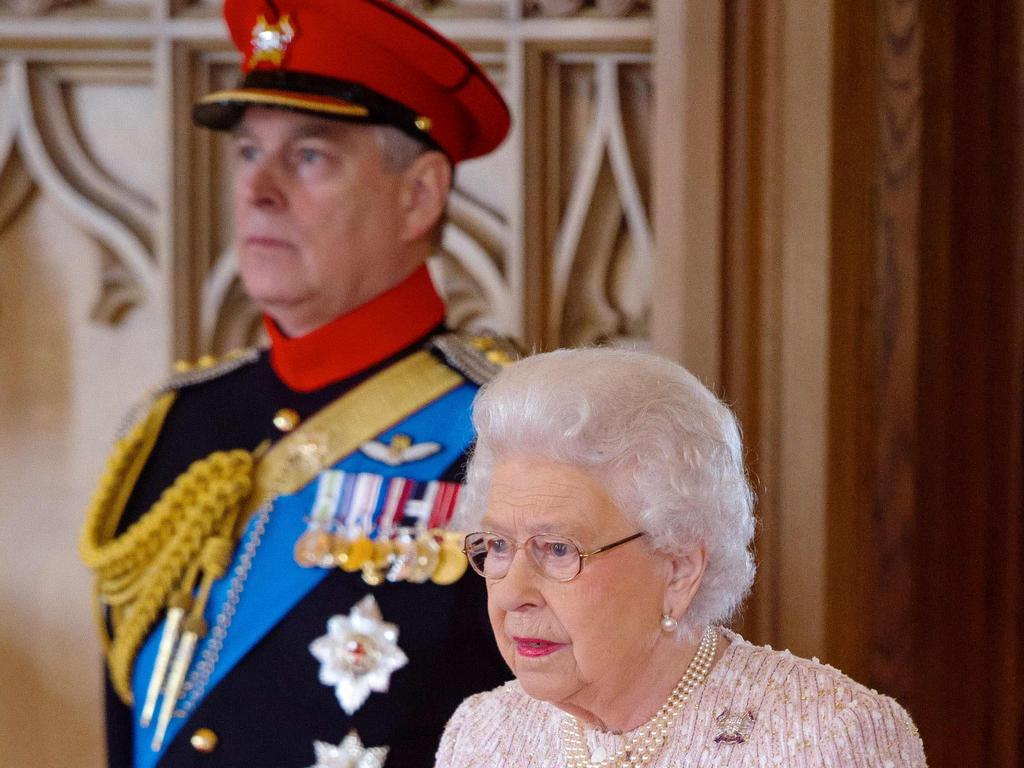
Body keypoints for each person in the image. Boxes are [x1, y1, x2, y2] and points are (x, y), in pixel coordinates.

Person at [78, 1, 516, 765]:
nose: (258, 189)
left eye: (309, 157)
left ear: (419, 195)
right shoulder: (176, 422)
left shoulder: (509, 429)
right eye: (249, 154)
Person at [436, 348, 928, 768]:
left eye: (559, 549)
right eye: (498, 546)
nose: (513, 594)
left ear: (678, 570)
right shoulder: (482, 737)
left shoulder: (825, 741)